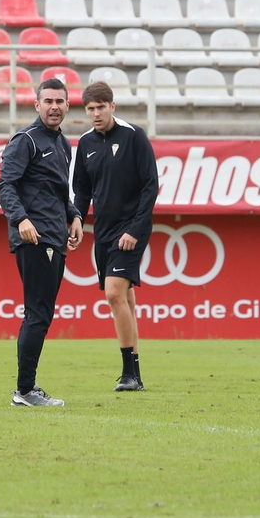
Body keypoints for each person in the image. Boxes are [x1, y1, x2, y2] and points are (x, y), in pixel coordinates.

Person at [0, 78, 83, 407]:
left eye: (60, 101)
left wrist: (74, 216)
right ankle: (25, 390)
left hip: (56, 236)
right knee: (37, 313)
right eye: (48, 101)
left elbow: (61, 191)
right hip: (34, 237)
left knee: (41, 314)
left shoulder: (63, 144)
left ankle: (26, 389)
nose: (54, 107)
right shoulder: (25, 140)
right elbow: (5, 186)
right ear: (37, 105)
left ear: (67, 106)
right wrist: (21, 220)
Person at [72, 80, 159, 392]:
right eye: (90, 109)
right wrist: (77, 219)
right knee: (125, 299)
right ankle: (135, 373)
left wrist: (135, 229)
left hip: (131, 229)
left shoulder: (134, 136)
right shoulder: (85, 143)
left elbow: (151, 185)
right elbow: (81, 189)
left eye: (100, 107)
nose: (96, 113)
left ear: (113, 106)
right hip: (104, 231)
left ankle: (128, 374)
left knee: (112, 294)